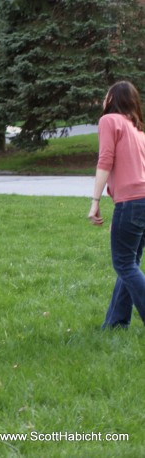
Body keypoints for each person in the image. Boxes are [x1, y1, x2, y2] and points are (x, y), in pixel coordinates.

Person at [88, 80, 145, 329]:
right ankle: (116, 323)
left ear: (112, 99)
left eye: (105, 94)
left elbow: (106, 160)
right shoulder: (138, 129)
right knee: (130, 262)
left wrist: (95, 201)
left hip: (132, 203)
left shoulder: (109, 121)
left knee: (123, 263)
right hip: (138, 203)